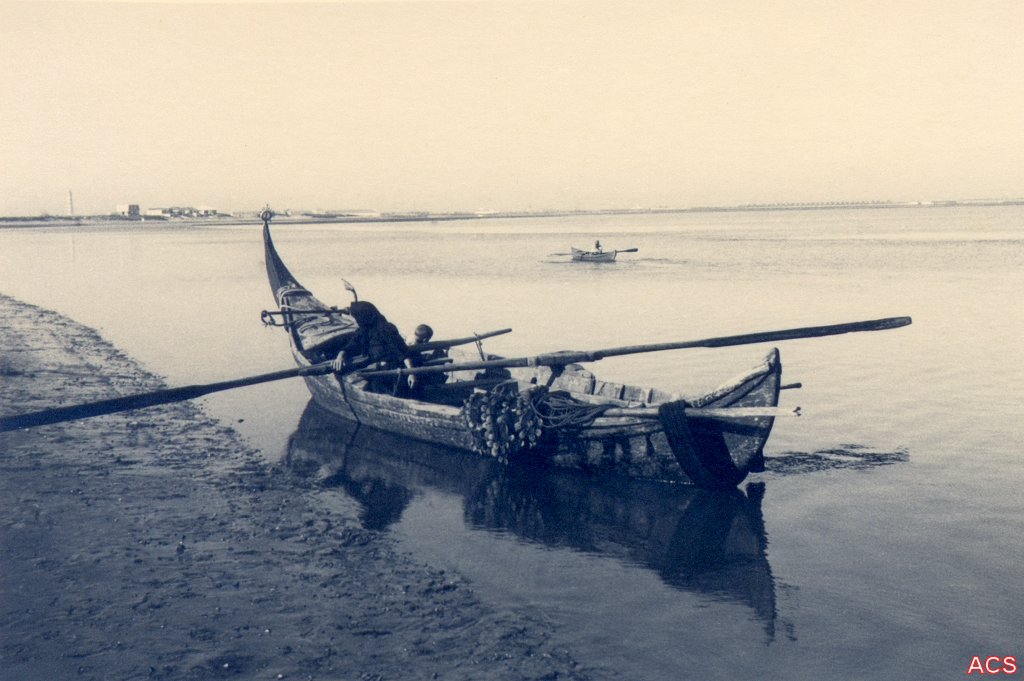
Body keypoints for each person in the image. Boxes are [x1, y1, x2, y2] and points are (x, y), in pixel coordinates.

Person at [331, 301, 408, 393]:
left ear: (363, 316)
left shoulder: (386, 329)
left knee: (375, 386)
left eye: (355, 317)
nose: (354, 320)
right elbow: (351, 345)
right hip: (375, 367)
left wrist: (411, 373)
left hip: (391, 370)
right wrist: (340, 356)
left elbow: (402, 352)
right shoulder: (364, 329)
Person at [405, 323, 449, 393]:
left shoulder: (411, 338)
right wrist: (412, 373)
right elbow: (407, 358)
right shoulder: (413, 344)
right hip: (410, 369)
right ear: (425, 339)